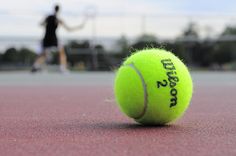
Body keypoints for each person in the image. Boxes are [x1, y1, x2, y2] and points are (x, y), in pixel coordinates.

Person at [31, 4, 85, 73]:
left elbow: (41, 24)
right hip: (53, 38)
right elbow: (69, 29)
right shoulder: (58, 20)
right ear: (59, 10)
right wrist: (79, 27)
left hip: (46, 38)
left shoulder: (48, 17)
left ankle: (35, 66)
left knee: (44, 54)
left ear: (54, 9)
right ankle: (62, 68)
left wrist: (46, 26)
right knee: (62, 52)